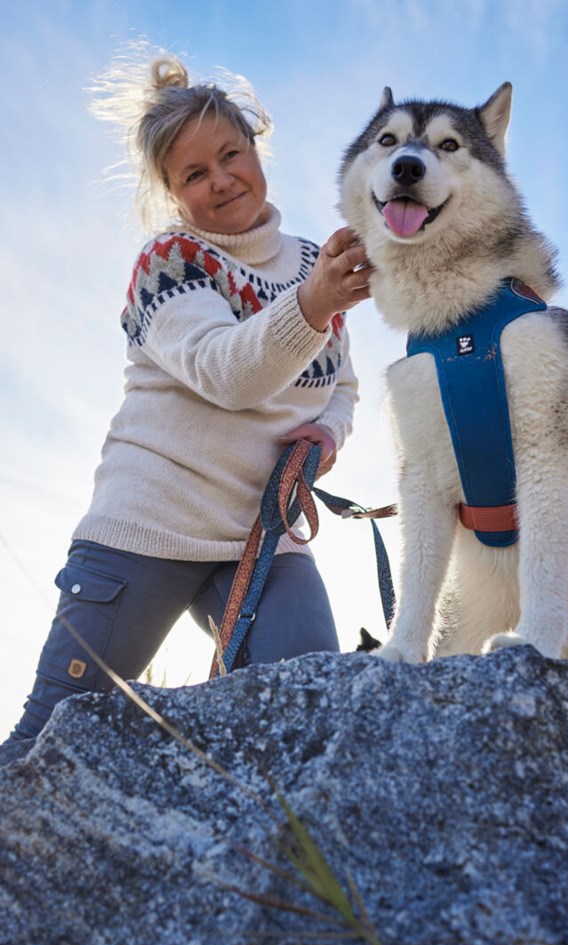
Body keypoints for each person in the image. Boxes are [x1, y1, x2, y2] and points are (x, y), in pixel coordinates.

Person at [1, 48, 372, 763]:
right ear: (173, 193)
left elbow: (343, 382)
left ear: (256, 145)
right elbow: (225, 372)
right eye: (194, 174)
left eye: (230, 154)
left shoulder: (306, 263)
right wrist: (316, 303)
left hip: (263, 544)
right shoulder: (171, 261)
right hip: (144, 531)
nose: (221, 180)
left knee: (312, 720)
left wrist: (324, 438)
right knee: (49, 741)